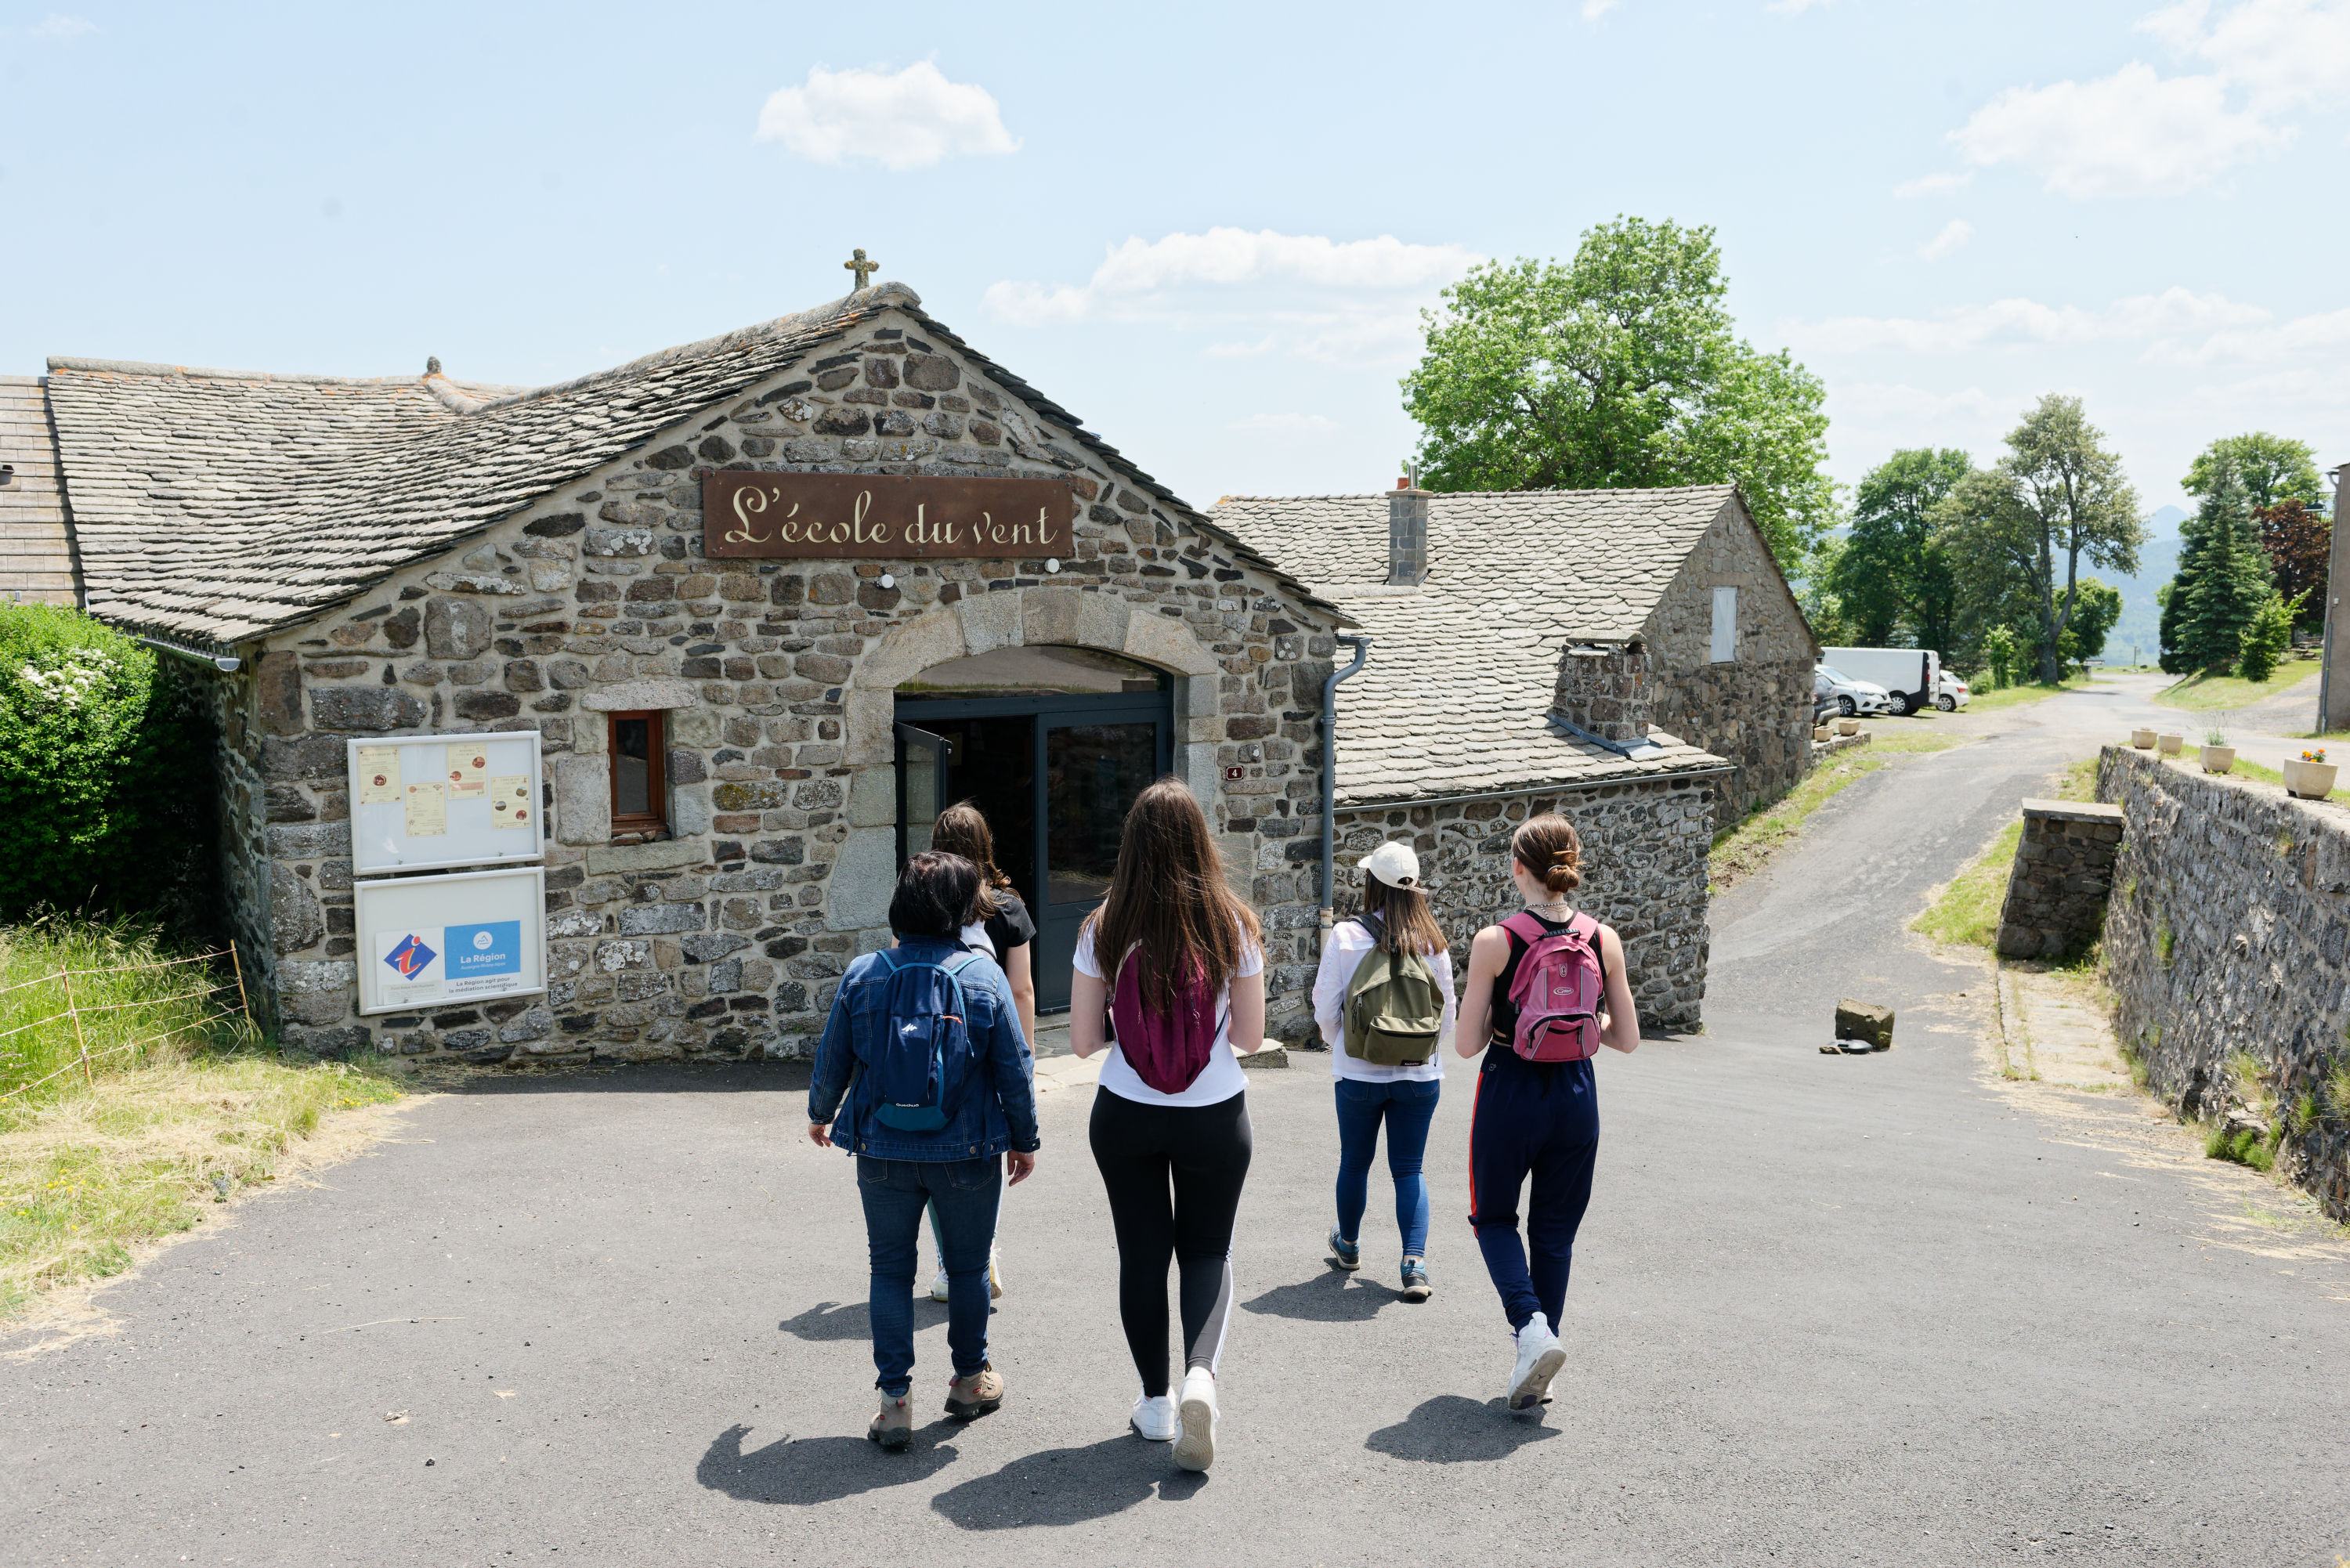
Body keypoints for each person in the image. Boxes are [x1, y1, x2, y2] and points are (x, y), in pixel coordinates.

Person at [806, 851, 1040, 1451]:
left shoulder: (865, 973)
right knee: (966, 1270)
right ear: (962, 911)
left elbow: (833, 1055)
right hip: (966, 1150)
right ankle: (968, 1381)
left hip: (882, 1146)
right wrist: (1024, 1140)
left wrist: (821, 1113)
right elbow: (1013, 1068)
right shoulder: (984, 978)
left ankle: (894, 1402)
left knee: (889, 1269)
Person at [1070, 777, 1264, 1472]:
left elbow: (1085, 1043)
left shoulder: (1102, 928)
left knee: (1142, 1259)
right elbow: (1249, 1036)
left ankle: (1155, 1403)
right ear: (1201, 843)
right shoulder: (1232, 925)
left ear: (1131, 847)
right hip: (1215, 1115)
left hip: (1126, 1112)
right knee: (1207, 1250)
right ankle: (1201, 1378)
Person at [1452, 813, 1640, 1415]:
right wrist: (1578, 1021)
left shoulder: (1496, 941)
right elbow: (1628, 1038)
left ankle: (1531, 1331)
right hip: (1577, 1094)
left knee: (1493, 1218)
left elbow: (1465, 1043)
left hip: (1511, 1087)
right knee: (1554, 1235)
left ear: (1517, 868)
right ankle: (1539, 1362)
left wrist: (1519, 1019)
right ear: (1570, 864)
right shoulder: (1601, 938)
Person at [1311, 840, 1455, 1302]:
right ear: (1417, 889)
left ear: (1371, 882)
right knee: (1409, 1169)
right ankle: (1414, 1263)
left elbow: (1324, 1005)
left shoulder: (1347, 936)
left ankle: (1349, 1246)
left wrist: (1348, 1048)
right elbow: (1446, 1015)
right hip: (1420, 1076)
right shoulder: (1433, 941)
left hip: (1357, 1074)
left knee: (1354, 1161)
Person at [922, 802, 1039, 1303]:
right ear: (986, 845)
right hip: (991, 1048)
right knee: (988, 1151)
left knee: (934, 1148)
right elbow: (1023, 991)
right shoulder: (1007, 907)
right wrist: (1025, 1059)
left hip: (935, 1050)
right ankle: (983, 1247)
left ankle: (951, 1265)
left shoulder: (919, 903)